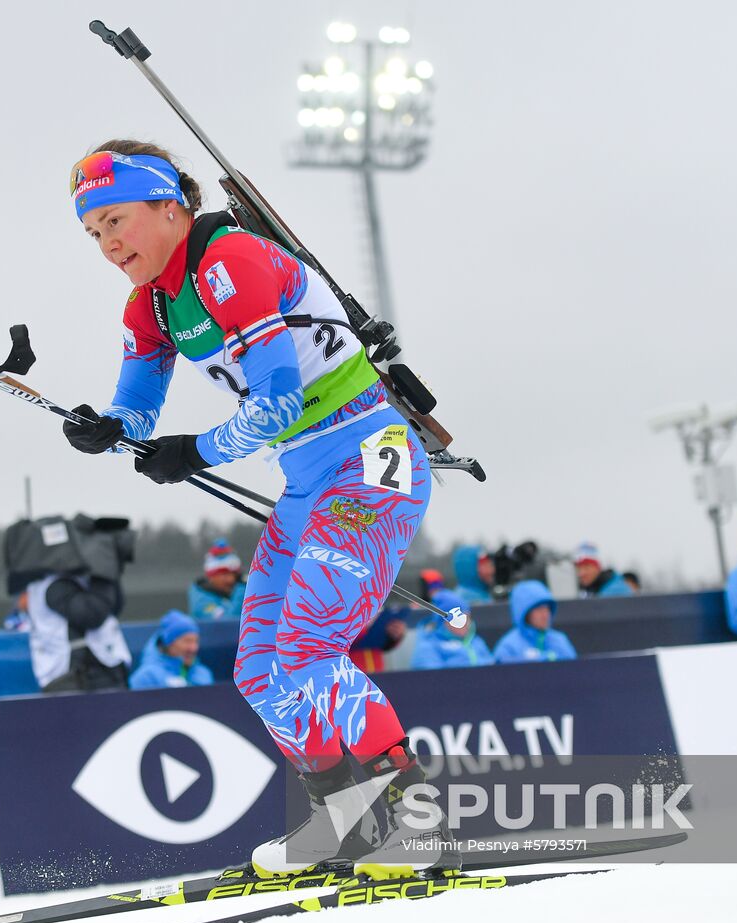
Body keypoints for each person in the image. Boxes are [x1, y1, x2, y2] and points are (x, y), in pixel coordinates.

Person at [59, 142, 455, 877]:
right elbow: (139, 416)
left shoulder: (228, 261)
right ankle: (346, 823)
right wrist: (108, 431)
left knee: (307, 651)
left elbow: (276, 402)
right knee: (261, 668)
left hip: (367, 461)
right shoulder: (148, 303)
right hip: (310, 481)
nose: (109, 243)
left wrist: (197, 451)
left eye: (116, 219)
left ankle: (418, 821)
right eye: (93, 233)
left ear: (169, 206)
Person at [494, 580, 578, 664]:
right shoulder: (509, 645)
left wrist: (542, 657)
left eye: (547, 609)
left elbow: (573, 667)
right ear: (525, 613)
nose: (545, 615)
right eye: (539, 609)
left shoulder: (559, 640)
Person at [129, 610, 215, 689]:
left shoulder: (203, 674)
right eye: (187, 641)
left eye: (196, 641)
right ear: (169, 643)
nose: (193, 648)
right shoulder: (147, 677)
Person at [410, 591, 494, 669]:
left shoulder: (476, 642)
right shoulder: (428, 647)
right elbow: (432, 680)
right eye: (460, 620)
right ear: (443, 621)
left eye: (468, 618)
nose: (466, 623)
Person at [188, 539, 247, 620]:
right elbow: (227, 625)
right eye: (224, 575)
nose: (231, 580)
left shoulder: (231, 593)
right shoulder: (201, 600)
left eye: (234, 575)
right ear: (211, 577)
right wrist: (242, 591)